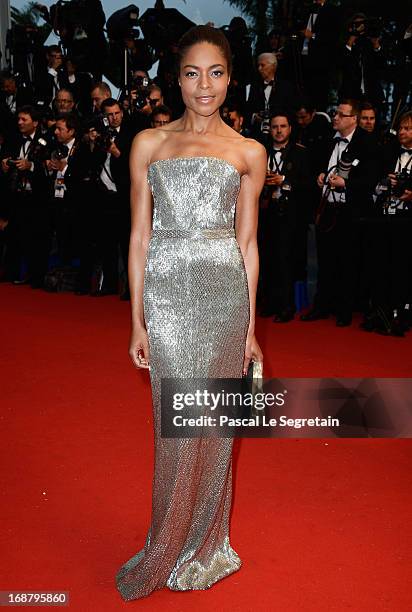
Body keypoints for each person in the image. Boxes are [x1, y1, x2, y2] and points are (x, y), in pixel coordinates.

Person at [116, 25, 265, 601]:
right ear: (176, 79)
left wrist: (250, 329)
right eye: (191, 73)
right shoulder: (149, 144)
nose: (204, 86)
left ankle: (207, 546)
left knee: (215, 424)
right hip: (169, 297)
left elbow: (248, 245)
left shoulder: (248, 151)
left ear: (231, 78)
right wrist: (137, 319)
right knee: (175, 427)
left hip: (225, 297)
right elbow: (138, 238)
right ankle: (167, 540)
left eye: (216, 73)